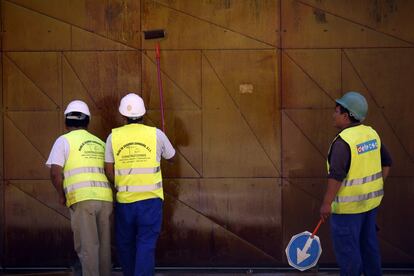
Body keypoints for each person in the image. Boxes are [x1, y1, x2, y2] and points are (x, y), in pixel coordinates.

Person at [320, 92, 392, 276]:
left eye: (336, 111)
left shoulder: (343, 143)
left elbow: (336, 176)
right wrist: (375, 186)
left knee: (349, 254)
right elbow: (387, 163)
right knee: (369, 249)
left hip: (347, 211)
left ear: (346, 116)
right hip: (370, 206)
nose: (333, 115)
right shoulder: (371, 134)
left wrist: (327, 203)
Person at [104, 93, 175, 276]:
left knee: (125, 244)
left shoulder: (113, 137)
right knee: (146, 244)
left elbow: (109, 170)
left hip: (125, 201)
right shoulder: (156, 134)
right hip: (151, 202)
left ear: (123, 115)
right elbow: (172, 157)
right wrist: (163, 140)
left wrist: (121, 184)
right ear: (144, 113)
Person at [46, 100, 113, 276]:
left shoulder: (63, 141)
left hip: (83, 199)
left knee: (88, 247)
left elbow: (55, 173)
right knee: (104, 247)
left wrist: (61, 195)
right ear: (87, 121)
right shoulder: (100, 143)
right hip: (105, 199)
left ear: (66, 121)